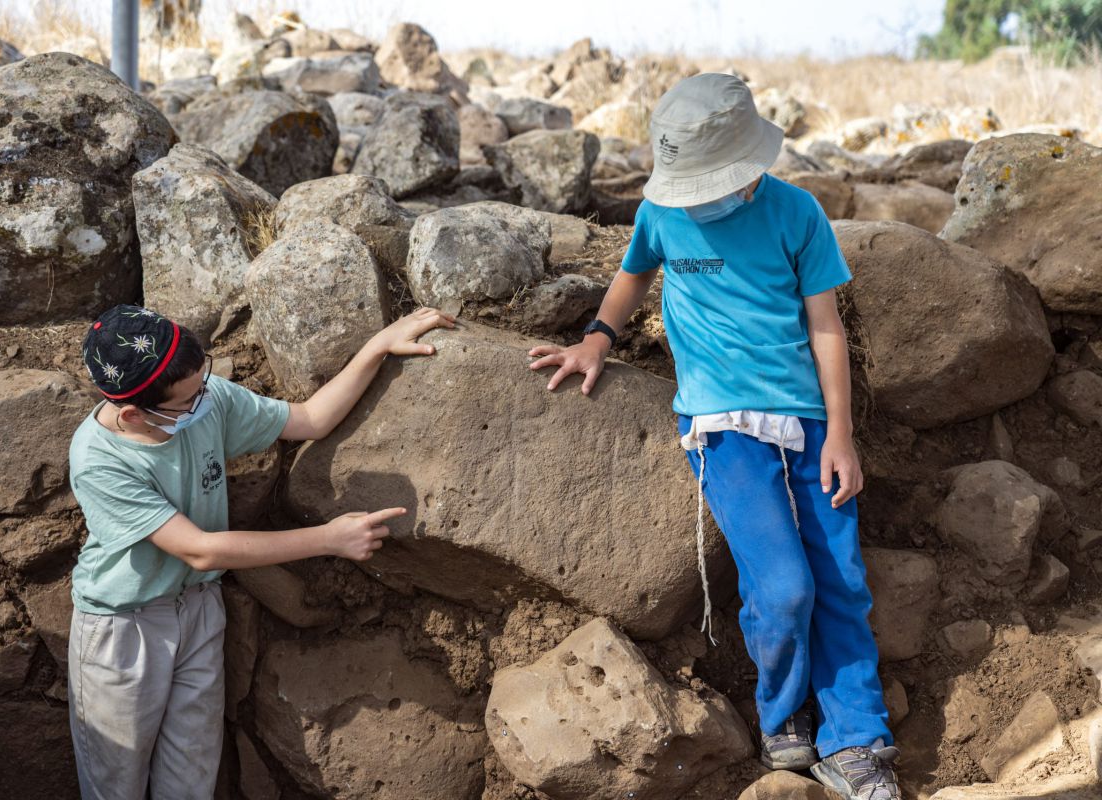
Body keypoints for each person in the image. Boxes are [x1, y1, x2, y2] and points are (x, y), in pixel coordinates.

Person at [527, 74, 899, 800]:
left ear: (750, 166)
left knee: (843, 582)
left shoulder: (797, 212)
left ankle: (858, 739)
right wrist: (598, 337)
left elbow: (825, 328)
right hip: (722, 427)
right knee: (786, 588)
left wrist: (842, 435)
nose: (701, 197)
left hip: (810, 422)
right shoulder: (661, 212)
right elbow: (633, 276)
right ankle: (783, 713)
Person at [67, 303, 455, 799]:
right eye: (188, 400)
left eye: (203, 383)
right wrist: (328, 540)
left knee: (190, 783)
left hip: (199, 610)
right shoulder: (99, 459)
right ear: (132, 414)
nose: (205, 400)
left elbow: (311, 419)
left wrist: (377, 346)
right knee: (115, 787)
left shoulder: (202, 399)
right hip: (124, 629)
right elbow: (201, 550)